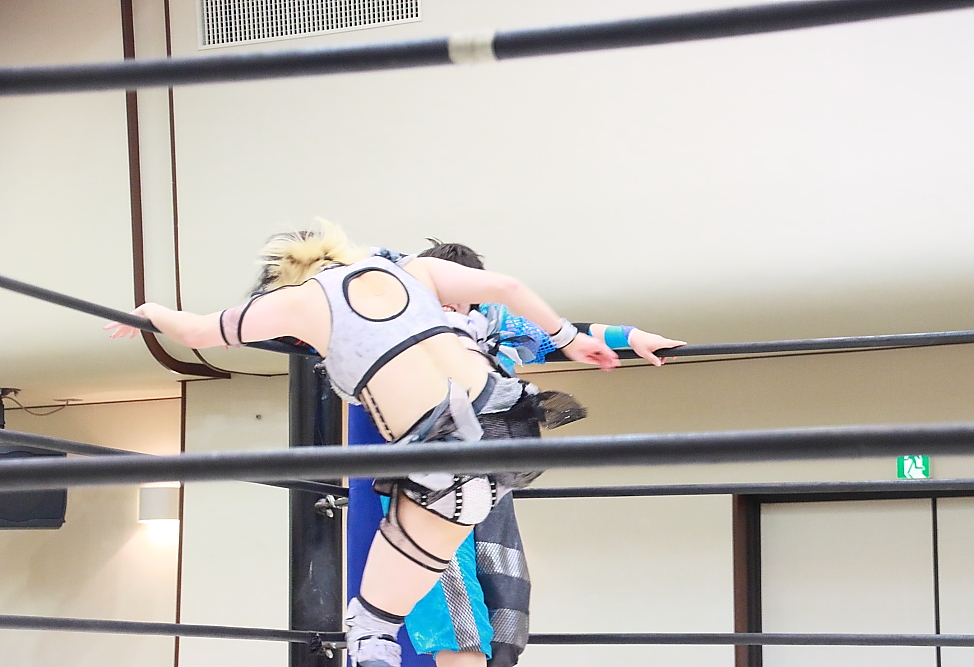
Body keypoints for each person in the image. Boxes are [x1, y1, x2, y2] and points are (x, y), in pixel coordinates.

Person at [104, 221, 619, 667]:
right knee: (438, 585)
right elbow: (508, 286)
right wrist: (570, 339)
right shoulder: (413, 272)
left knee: (384, 610)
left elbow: (198, 332)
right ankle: (386, 629)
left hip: (438, 449)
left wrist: (151, 311)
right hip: (507, 427)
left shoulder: (297, 301)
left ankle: (374, 635)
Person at [372, 241, 685, 667]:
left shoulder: (494, 327)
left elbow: (567, 333)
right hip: (428, 471)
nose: (449, 301)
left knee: (500, 593)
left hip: (490, 472)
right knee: (448, 595)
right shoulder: (393, 322)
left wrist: (633, 337)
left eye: (458, 293)